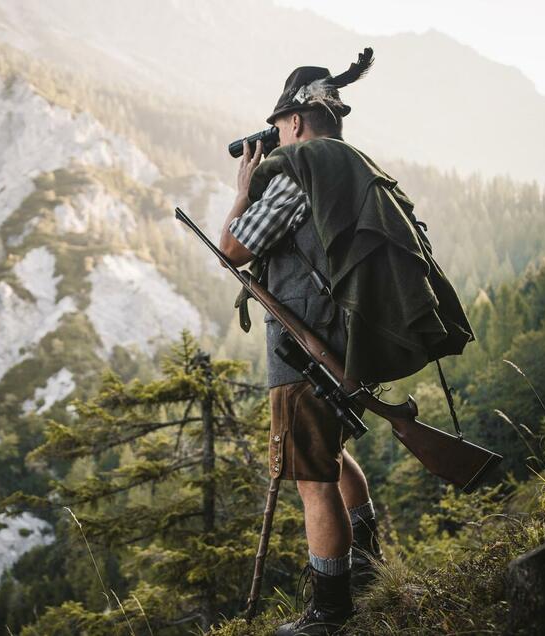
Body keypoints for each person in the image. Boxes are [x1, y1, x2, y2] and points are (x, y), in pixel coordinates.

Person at [219, 50, 390, 635]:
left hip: (304, 344)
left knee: (313, 479)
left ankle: (331, 610)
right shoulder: (346, 166)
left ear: (293, 121)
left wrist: (244, 187)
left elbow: (234, 248)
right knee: (332, 454)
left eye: (279, 125)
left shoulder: (294, 175)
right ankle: (366, 563)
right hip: (345, 338)